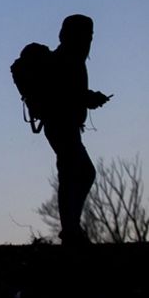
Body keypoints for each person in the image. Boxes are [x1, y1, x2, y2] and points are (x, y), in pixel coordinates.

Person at [44, 14, 111, 245]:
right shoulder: (68, 59)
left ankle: (71, 229)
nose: (90, 40)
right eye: (87, 35)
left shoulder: (68, 57)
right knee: (80, 173)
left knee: (73, 173)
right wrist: (90, 98)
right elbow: (66, 93)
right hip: (61, 125)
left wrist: (88, 98)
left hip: (63, 125)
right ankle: (70, 230)